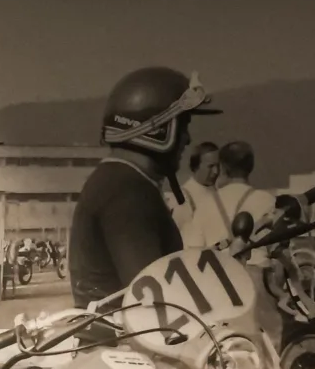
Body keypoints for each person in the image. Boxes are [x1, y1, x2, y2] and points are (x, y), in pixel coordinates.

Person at [71, 66, 216, 306]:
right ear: (158, 129)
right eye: (182, 125)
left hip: (114, 326)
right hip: (121, 330)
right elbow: (152, 298)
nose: (188, 138)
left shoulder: (118, 179)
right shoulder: (127, 191)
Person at [174, 140, 234, 251]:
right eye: (210, 166)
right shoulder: (184, 197)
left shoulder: (220, 193)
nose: (216, 171)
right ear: (196, 167)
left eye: (218, 166)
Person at [215, 141, 277, 245]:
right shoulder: (267, 200)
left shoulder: (207, 201)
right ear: (251, 166)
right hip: (255, 255)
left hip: (218, 255)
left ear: (222, 168)